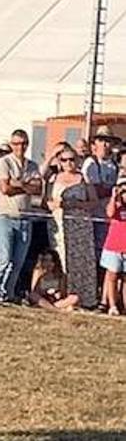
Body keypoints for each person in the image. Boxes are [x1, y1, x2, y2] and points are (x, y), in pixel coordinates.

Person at [0, 130, 43, 303]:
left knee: (18, 260)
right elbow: (5, 189)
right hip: (5, 215)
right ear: (12, 144)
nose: (20, 147)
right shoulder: (4, 163)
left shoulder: (32, 165)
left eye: (23, 143)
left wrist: (17, 183)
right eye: (16, 143)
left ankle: (8, 293)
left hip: (25, 217)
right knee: (4, 258)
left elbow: (38, 188)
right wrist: (25, 185)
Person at [46, 147, 99, 309]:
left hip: (81, 224)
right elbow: (45, 201)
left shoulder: (83, 178)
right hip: (59, 223)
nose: (68, 163)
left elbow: (94, 202)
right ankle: (62, 294)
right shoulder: (54, 178)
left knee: (81, 261)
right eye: (64, 160)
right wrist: (55, 205)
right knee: (61, 259)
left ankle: (84, 297)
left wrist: (78, 204)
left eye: (72, 159)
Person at [82, 131, 118, 257]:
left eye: (107, 141)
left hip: (109, 215)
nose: (105, 144)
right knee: (94, 250)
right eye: (101, 140)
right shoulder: (90, 163)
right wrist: (112, 190)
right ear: (95, 143)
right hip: (94, 214)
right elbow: (94, 189)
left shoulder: (114, 165)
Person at [100, 176, 126, 317]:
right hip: (114, 247)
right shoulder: (116, 206)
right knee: (112, 276)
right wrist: (113, 197)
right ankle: (112, 305)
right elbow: (109, 213)